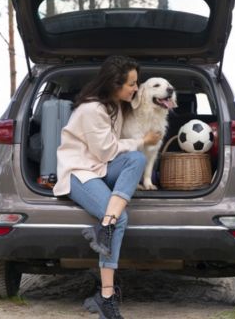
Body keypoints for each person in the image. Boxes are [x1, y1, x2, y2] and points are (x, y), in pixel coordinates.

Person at [53, 55, 162, 319]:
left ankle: (104, 226)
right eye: (132, 84)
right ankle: (106, 297)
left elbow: (117, 153)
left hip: (100, 169)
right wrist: (141, 139)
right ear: (115, 84)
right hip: (80, 172)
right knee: (119, 219)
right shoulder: (92, 110)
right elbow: (105, 151)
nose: (136, 88)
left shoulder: (117, 106)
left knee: (135, 159)